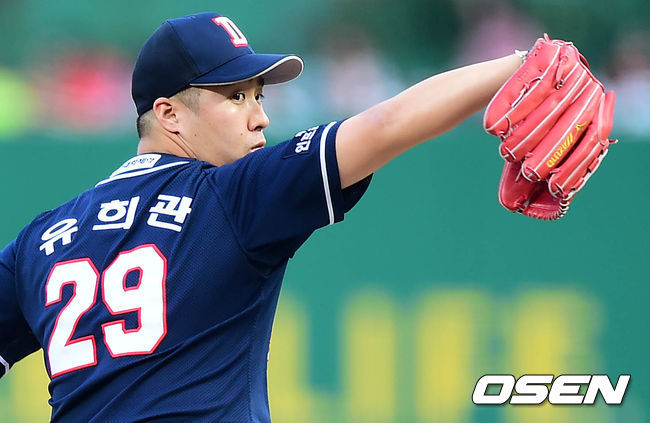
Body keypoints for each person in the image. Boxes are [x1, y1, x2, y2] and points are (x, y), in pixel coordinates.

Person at [0, 11, 522, 423]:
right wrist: (522, 65)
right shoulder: (230, 196)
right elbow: (386, 124)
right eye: (236, 97)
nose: (261, 117)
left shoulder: (41, 238)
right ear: (169, 114)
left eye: (258, 95)